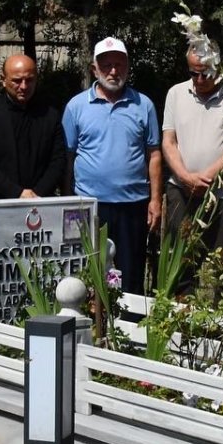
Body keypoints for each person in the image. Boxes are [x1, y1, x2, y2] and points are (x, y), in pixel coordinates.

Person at [62, 37, 162, 294]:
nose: (113, 71)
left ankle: (130, 326)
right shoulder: (76, 106)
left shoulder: (144, 105)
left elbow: (154, 153)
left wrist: (155, 200)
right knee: (88, 272)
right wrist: (67, 200)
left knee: (131, 274)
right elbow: (68, 156)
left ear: (128, 67)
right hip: (87, 206)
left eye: (119, 64)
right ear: (94, 69)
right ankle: (95, 325)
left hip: (133, 204)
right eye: (106, 65)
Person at [162, 42, 223, 252]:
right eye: (194, 74)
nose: (200, 80)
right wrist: (185, 177)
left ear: (218, 66)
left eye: (206, 73)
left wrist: (205, 180)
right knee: (181, 262)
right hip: (181, 190)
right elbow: (169, 141)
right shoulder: (176, 93)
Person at [0, 53, 66, 199]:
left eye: (29, 80)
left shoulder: (50, 115)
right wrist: (17, 193)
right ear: (3, 80)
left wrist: (37, 193)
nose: (24, 86)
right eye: (17, 80)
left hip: (41, 202)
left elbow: (58, 160)